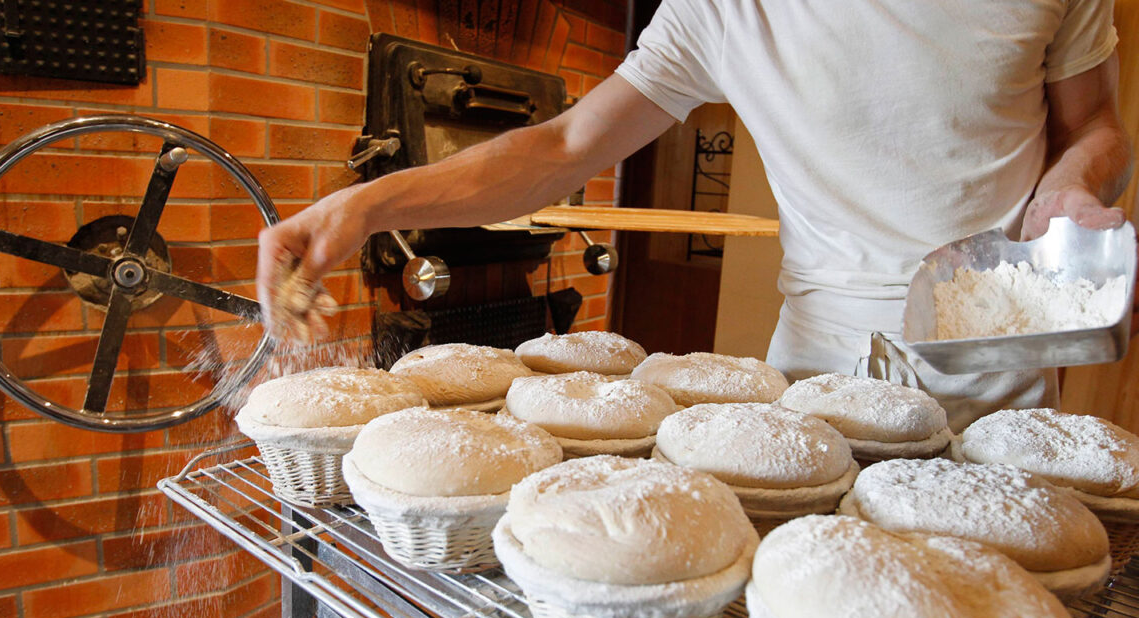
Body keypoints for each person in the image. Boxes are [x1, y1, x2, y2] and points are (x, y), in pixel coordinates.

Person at [257, 0, 1133, 431]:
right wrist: (367, 204)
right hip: (814, 376)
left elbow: (1094, 125)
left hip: (992, 366)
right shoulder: (721, 6)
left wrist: (1072, 188)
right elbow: (562, 148)